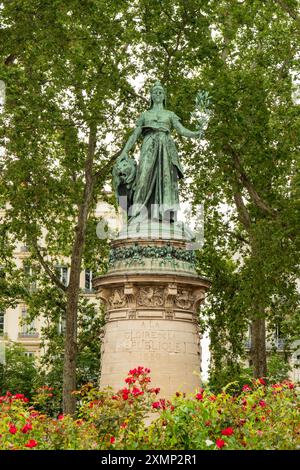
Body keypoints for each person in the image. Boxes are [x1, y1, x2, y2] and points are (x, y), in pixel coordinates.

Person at [116, 80, 200, 223]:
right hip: (149, 144)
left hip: (165, 146)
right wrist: (124, 152)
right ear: (151, 96)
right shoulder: (145, 115)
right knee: (143, 176)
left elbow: (181, 130)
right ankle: (137, 212)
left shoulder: (170, 114)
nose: (158, 94)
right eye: (155, 92)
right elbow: (135, 134)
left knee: (166, 178)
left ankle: (164, 214)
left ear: (164, 96)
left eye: (161, 92)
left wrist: (196, 133)